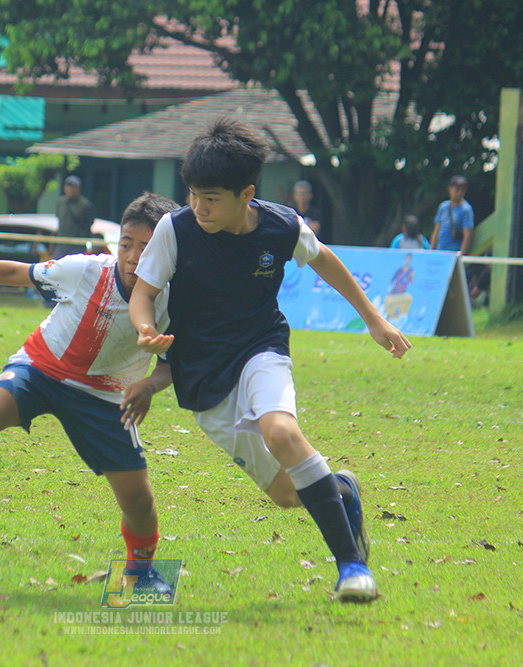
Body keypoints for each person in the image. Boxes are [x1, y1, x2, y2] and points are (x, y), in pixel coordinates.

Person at [129, 119, 411, 603]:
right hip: (203, 379)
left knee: (281, 430)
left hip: (261, 349)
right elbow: (144, 292)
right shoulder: (175, 230)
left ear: (247, 194)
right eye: (193, 194)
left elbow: (324, 260)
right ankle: (342, 490)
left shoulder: (282, 226)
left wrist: (373, 319)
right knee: (284, 495)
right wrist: (145, 329)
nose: (199, 207)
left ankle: (352, 567)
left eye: (212, 197)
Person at [0, 193, 178, 591]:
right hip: (41, 367)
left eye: (145, 249)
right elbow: (14, 273)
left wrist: (149, 384)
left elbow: (175, 363)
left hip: (106, 396)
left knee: (139, 501)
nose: (131, 257)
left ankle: (140, 574)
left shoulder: (174, 299)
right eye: (126, 243)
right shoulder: (86, 270)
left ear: (164, 252)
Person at [51, 175, 96, 259]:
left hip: (77, 245)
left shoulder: (85, 204)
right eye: (68, 186)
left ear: (79, 189)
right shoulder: (60, 202)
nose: (70, 189)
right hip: (61, 244)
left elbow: (90, 222)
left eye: (73, 187)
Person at [430, 175, 474, 255]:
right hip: (440, 251)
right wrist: (431, 250)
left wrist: (460, 255)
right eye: (457, 190)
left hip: (453, 253)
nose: (460, 193)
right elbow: (436, 230)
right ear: (450, 189)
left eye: (462, 190)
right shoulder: (443, 207)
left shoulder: (466, 210)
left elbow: (467, 235)